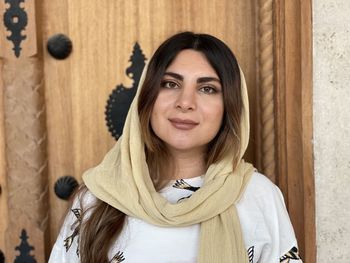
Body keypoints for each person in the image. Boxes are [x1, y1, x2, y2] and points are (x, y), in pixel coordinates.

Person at [49, 32, 302, 263]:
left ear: (229, 107)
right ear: (146, 97)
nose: (185, 102)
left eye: (207, 88)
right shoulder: (96, 198)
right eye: (170, 84)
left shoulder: (256, 196)